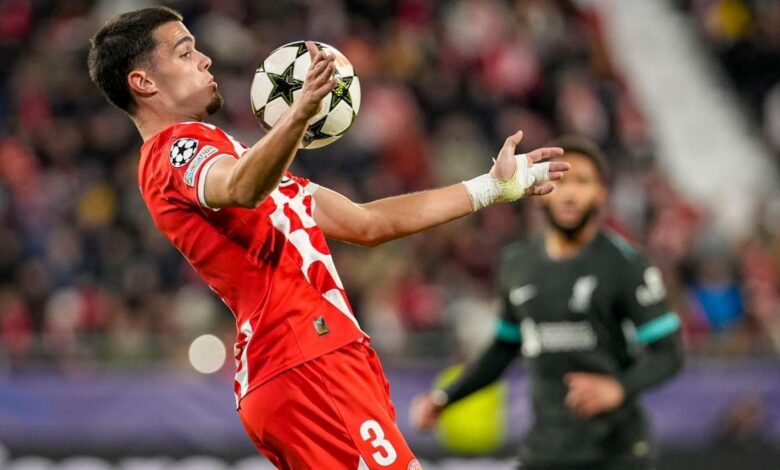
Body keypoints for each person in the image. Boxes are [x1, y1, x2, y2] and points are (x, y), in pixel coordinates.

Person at [87, 6, 569, 469]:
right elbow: (240, 187)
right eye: (185, 51)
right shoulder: (174, 152)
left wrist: (492, 187)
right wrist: (298, 116)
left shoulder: (239, 155)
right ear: (143, 81)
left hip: (316, 358)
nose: (205, 58)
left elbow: (367, 224)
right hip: (303, 359)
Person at [410, 137, 684, 470]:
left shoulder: (626, 265)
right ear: (540, 189)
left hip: (616, 450)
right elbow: (503, 348)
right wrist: (445, 399)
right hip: (546, 449)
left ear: (601, 194)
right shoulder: (517, 263)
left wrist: (617, 387)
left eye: (582, 181)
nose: (569, 192)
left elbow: (669, 353)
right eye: (560, 179)